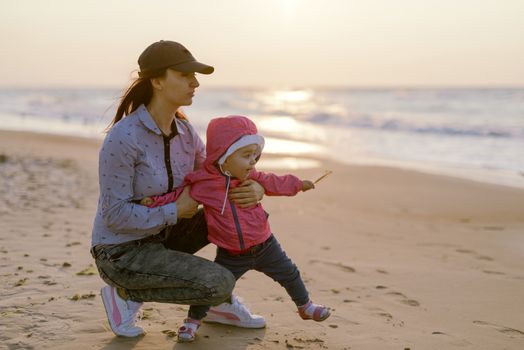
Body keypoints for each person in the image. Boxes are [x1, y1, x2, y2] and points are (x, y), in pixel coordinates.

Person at [90, 40, 267, 338]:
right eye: (185, 75)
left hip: (162, 237)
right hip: (121, 252)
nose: (195, 83)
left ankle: (217, 305)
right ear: (157, 81)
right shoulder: (123, 138)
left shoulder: (185, 131)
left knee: (239, 204)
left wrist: (257, 188)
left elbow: (218, 174)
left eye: (194, 76)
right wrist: (175, 210)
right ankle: (124, 294)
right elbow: (114, 215)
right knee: (218, 281)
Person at [141, 115, 331, 342]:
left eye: (255, 155)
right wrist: (155, 202)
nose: (253, 162)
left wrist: (299, 184)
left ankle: (306, 306)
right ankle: (191, 323)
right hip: (230, 254)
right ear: (224, 156)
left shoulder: (253, 177)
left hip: (265, 245)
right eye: (246, 155)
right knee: (211, 287)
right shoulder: (204, 184)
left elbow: (275, 181)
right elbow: (179, 195)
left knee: (290, 274)